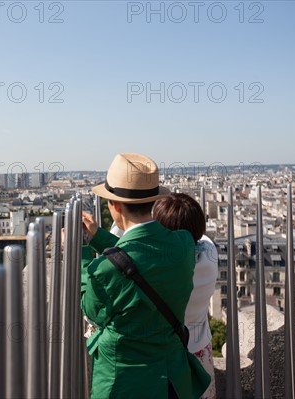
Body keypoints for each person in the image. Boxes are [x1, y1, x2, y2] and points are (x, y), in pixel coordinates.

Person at [81, 153, 210, 399]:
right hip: (173, 379)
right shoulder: (183, 245)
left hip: (125, 383)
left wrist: (81, 254)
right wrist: (98, 236)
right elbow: (140, 256)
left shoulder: (105, 271)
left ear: (115, 206)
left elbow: (91, 309)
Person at [152, 193, 218, 399]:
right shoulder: (209, 253)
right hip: (198, 352)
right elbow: (201, 238)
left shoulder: (156, 269)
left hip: (164, 359)